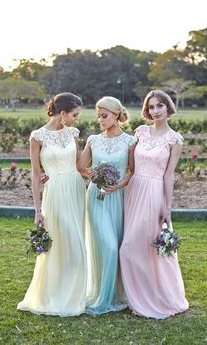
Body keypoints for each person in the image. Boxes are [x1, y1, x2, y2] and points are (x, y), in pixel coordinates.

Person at [120, 90, 189, 319]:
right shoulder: (140, 132)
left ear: (168, 108)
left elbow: (169, 175)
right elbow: (129, 165)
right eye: (151, 107)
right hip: (134, 191)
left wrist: (167, 206)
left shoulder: (174, 139)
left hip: (154, 193)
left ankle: (154, 298)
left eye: (159, 106)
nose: (155, 111)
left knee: (143, 246)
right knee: (131, 246)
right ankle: (134, 296)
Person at [17, 92, 87, 316]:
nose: (76, 119)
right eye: (74, 115)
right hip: (55, 193)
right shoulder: (37, 137)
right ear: (63, 113)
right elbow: (36, 174)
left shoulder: (73, 133)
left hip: (75, 188)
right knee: (58, 243)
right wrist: (38, 210)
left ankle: (74, 294)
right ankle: (53, 295)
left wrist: (98, 171)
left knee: (76, 242)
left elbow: (78, 163)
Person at [77, 96, 137, 314]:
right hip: (95, 197)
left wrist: (118, 184)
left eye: (105, 116)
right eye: (98, 116)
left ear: (116, 115)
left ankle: (113, 294)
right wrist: (97, 176)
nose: (100, 120)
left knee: (115, 245)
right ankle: (102, 297)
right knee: (108, 247)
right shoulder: (93, 139)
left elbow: (132, 170)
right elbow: (81, 166)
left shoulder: (130, 141)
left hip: (117, 198)